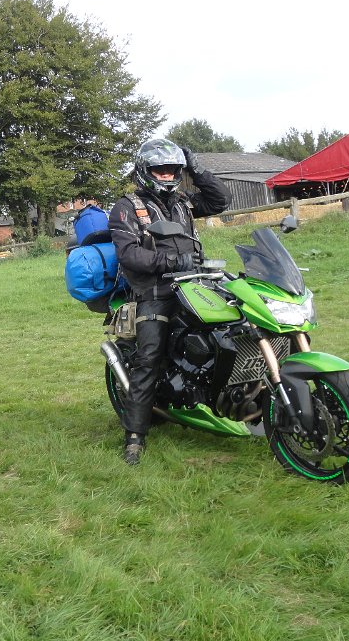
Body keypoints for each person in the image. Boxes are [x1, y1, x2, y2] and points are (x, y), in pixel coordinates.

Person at [108, 139, 232, 465]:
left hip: (195, 283)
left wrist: (197, 168)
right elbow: (129, 254)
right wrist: (171, 262)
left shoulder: (183, 202)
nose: (166, 175)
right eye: (160, 169)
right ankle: (134, 437)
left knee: (236, 325)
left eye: (172, 169)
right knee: (149, 357)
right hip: (155, 292)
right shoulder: (126, 207)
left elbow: (220, 200)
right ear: (145, 171)